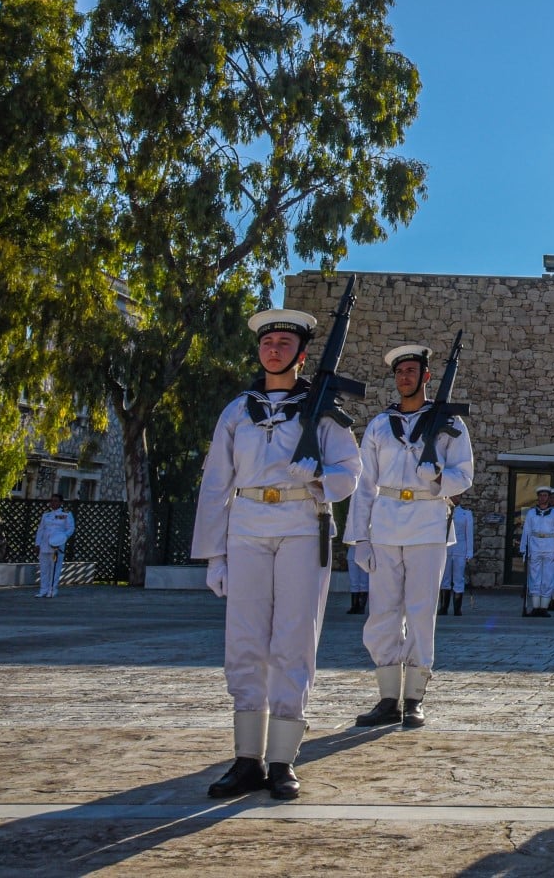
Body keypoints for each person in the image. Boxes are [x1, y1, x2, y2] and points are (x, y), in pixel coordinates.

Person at [192, 307, 362, 800]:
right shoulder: (237, 411)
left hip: (302, 525)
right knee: (244, 642)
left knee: (293, 640)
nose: (274, 350)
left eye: (285, 344)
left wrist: (319, 476)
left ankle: (283, 759)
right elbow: (216, 483)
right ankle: (247, 758)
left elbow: (351, 472)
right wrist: (214, 554)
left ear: (301, 355)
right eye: (268, 343)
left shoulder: (323, 409)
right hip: (246, 527)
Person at [346, 342, 476, 729]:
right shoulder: (379, 425)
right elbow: (364, 484)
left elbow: (465, 475)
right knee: (383, 612)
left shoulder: (450, 423)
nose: (404, 377)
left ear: (426, 376)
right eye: (399, 372)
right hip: (385, 525)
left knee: (421, 612)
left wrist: (437, 479)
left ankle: (414, 697)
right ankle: (388, 698)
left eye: (411, 371)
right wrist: (360, 537)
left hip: (427, 524)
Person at [519, 487, 554, 617]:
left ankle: (544, 607)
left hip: (550, 547)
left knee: (548, 577)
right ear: (538, 497)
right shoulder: (531, 513)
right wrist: (524, 549)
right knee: (534, 577)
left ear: (548, 498)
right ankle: (535, 607)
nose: (543, 498)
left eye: (545, 495)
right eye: (541, 495)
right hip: (535, 547)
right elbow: (526, 532)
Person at [34, 493, 75, 599]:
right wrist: (37, 544)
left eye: (56, 501)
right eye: (52, 501)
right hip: (44, 545)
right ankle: (43, 590)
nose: (53, 503)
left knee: (54, 568)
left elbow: (70, 528)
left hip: (57, 546)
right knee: (44, 569)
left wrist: (62, 537)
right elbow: (41, 530)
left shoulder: (66, 514)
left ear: (61, 502)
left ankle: (52, 590)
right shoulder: (46, 515)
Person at [441, 501, 474, 615]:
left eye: (457, 495)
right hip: (446, 549)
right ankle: (443, 608)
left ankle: (457, 609)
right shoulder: (443, 510)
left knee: (458, 579)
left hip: (460, 550)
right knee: (444, 578)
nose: (455, 498)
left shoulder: (466, 513)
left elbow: (469, 533)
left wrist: (469, 552)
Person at [346, 541, 371, 615]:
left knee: (364, 582)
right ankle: (354, 607)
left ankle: (361, 607)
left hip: (365, 551)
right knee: (353, 581)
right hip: (352, 551)